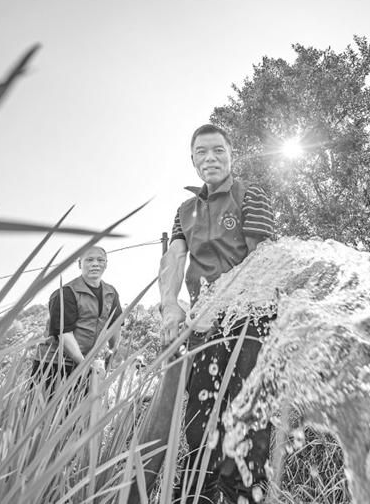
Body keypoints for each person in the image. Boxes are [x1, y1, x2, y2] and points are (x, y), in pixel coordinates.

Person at [159, 124, 275, 504]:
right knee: (200, 407)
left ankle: (242, 492)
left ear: (230, 154)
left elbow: (261, 261)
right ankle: (200, 491)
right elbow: (174, 258)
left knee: (246, 406)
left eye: (218, 150)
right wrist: (170, 306)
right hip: (203, 321)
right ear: (193, 160)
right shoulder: (184, 211)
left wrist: (221, 301)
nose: (210, 158)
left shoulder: (250, 194)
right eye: (201, 152)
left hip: (251, 315)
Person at [33, 246, 123, 397]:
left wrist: (112, 350)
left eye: (100, 260)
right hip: (54, 363)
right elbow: (65, 335)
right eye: (89, 260)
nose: (95, 264)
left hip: (87, 363)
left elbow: (116, 324)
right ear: (80, 264)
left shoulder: (111, 293)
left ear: (106, 264)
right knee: (45, 408)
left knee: (79, 409)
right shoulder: (66, 293)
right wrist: (84, 365)